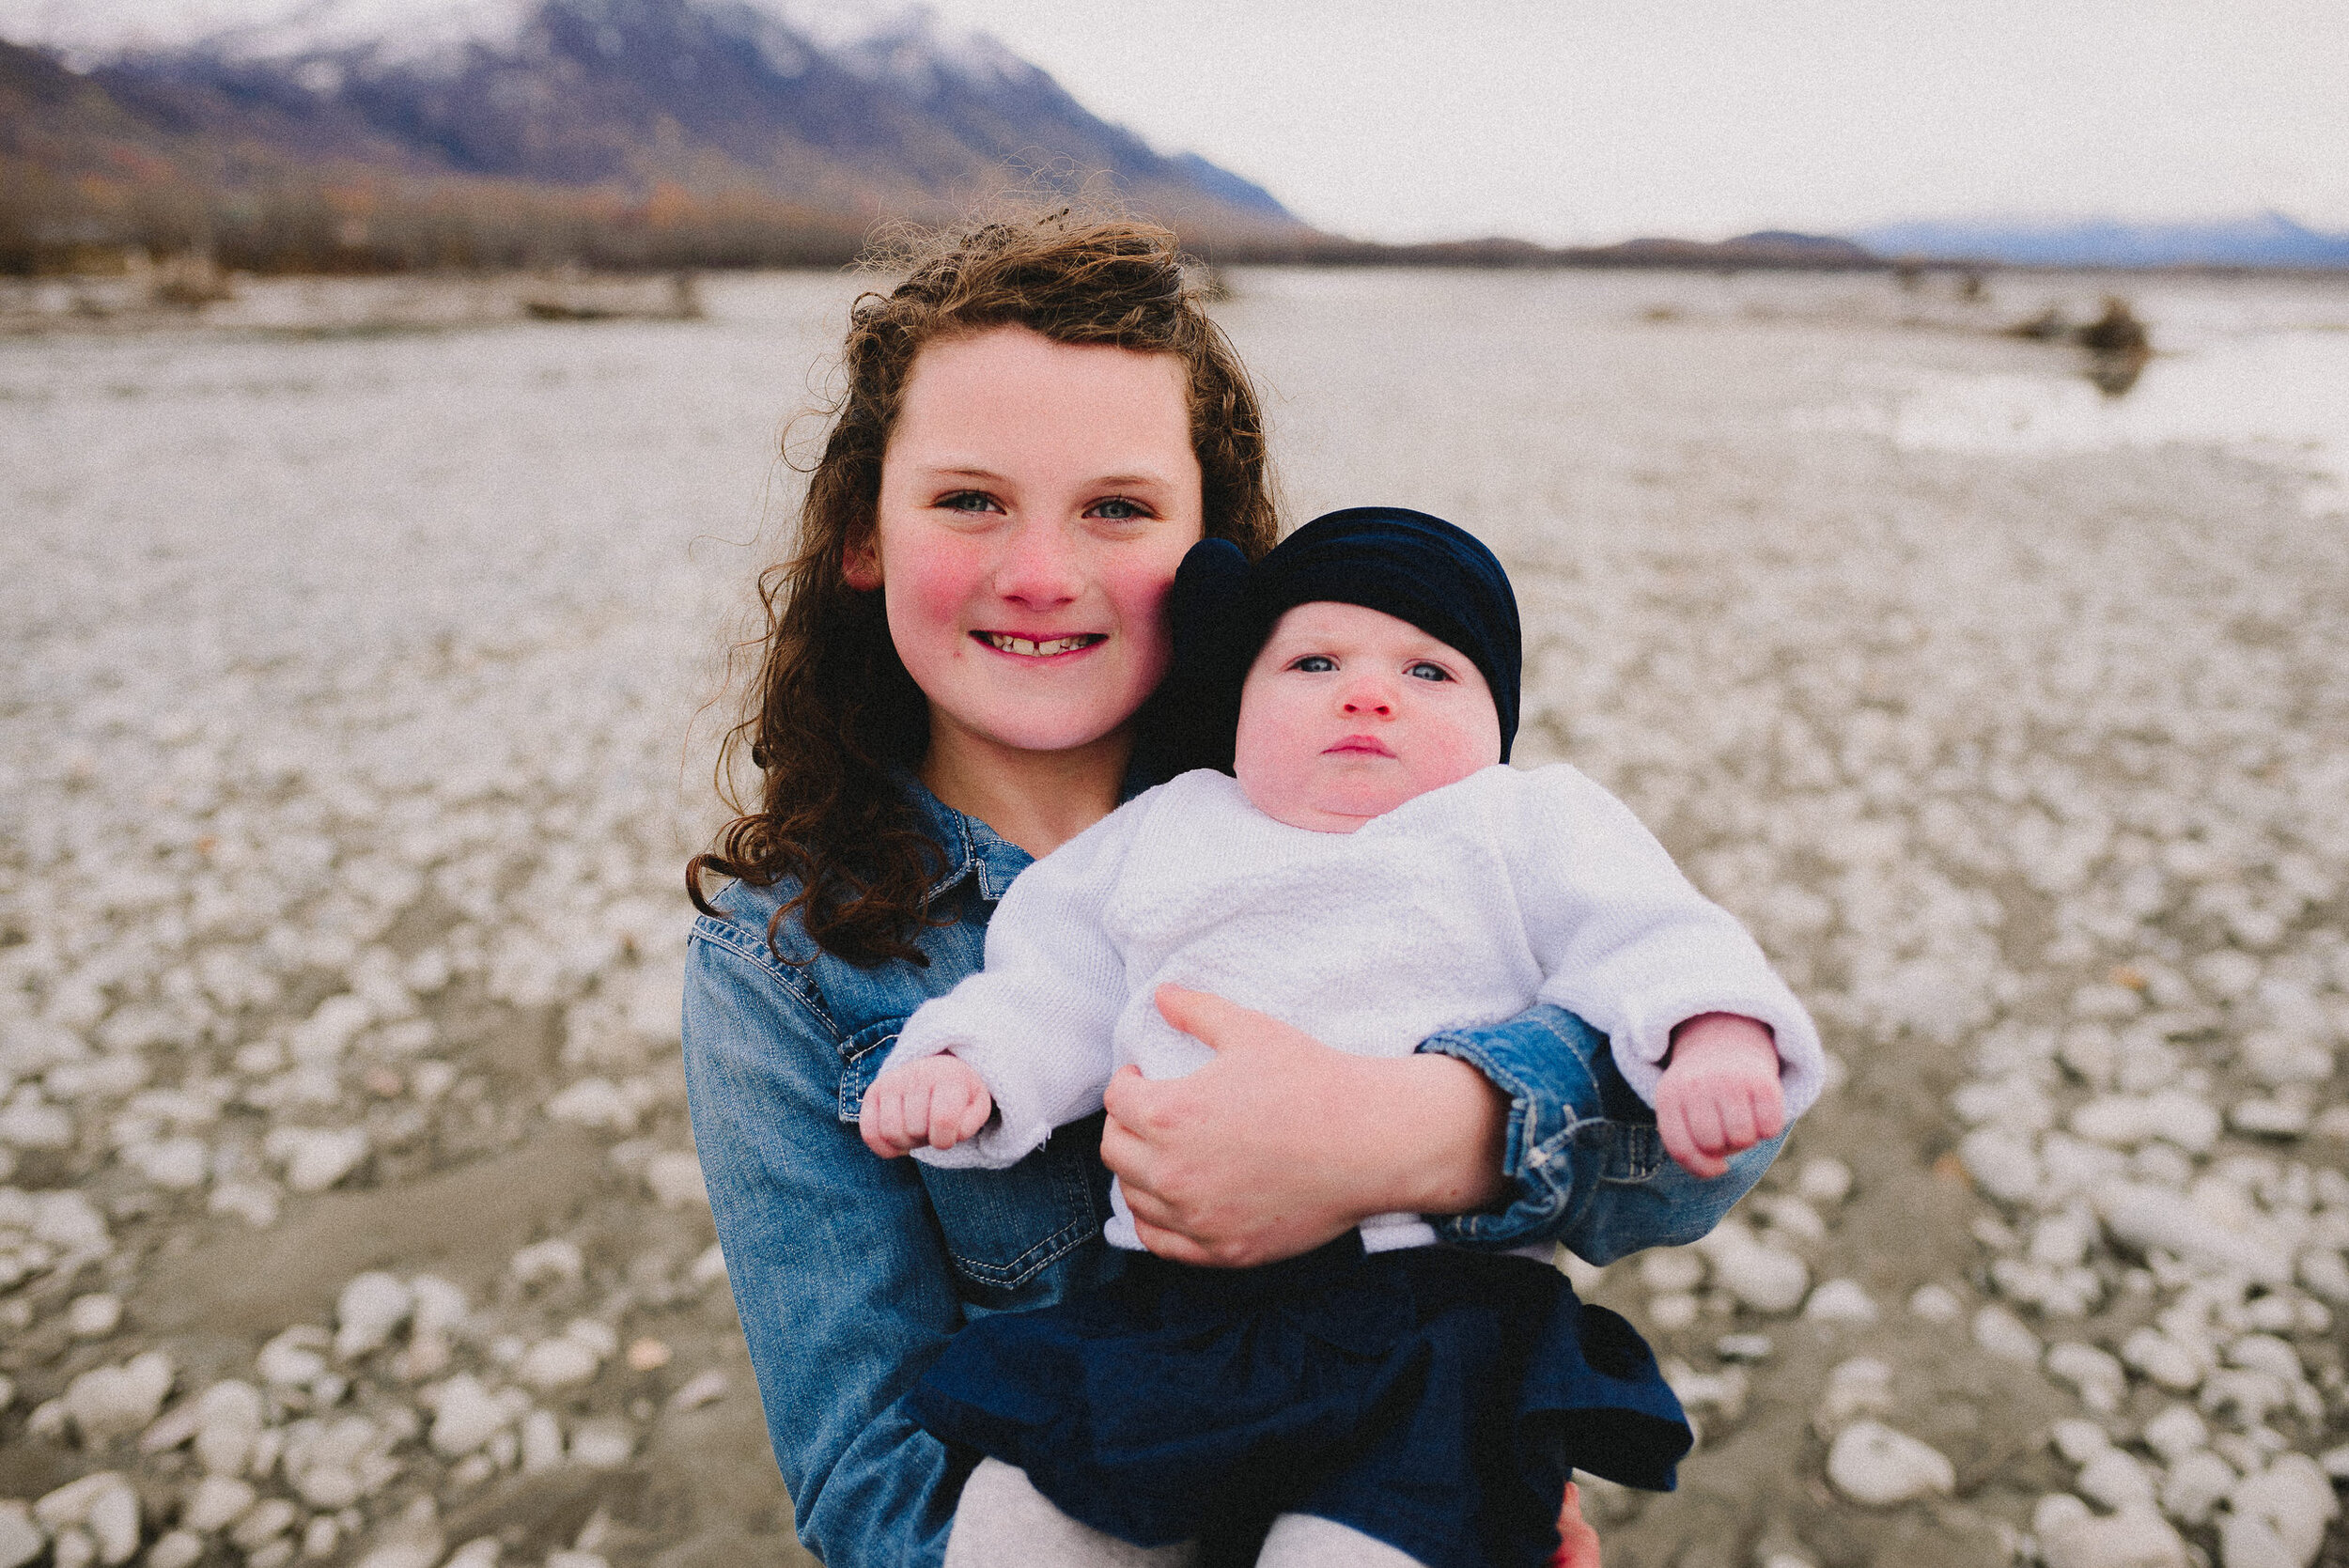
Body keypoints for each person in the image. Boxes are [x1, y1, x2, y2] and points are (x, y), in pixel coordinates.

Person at [681, 213, 1787, 1568]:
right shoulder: (784, 963)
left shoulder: (1395, 804)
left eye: (1120, 507)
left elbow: (1692, 1164)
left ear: (1217, 559)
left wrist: (1421, 1132)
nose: (1040, 574)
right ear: (864, 534)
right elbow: (869, 1484)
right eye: (969, 498)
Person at [861, 508, 1824, 1568]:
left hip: (1435, 1313)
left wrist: (1715, 1030)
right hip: (1181, 1317)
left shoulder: (1517, 822)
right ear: (1235, 703)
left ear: (1496, 727)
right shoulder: (1173, 826)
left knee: (1362, 1547)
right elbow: (1055, 981)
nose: (1367, 694)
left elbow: (1652, 931)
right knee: (1023, 1516)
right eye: (1313, 661)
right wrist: (971, 1068)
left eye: (1429, 672)